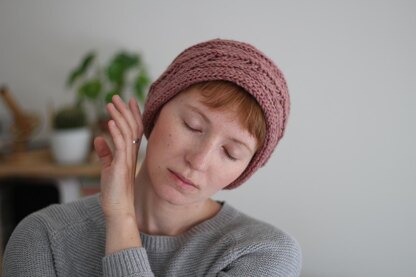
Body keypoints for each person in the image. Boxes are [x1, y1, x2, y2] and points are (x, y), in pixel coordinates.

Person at [3, 39, 302, 276]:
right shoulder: (43, 238)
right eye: (192, 126)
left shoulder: (264, 254)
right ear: (154, 114)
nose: (198, 161)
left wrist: (121, 219)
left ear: (244, 171)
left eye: (230, 152)